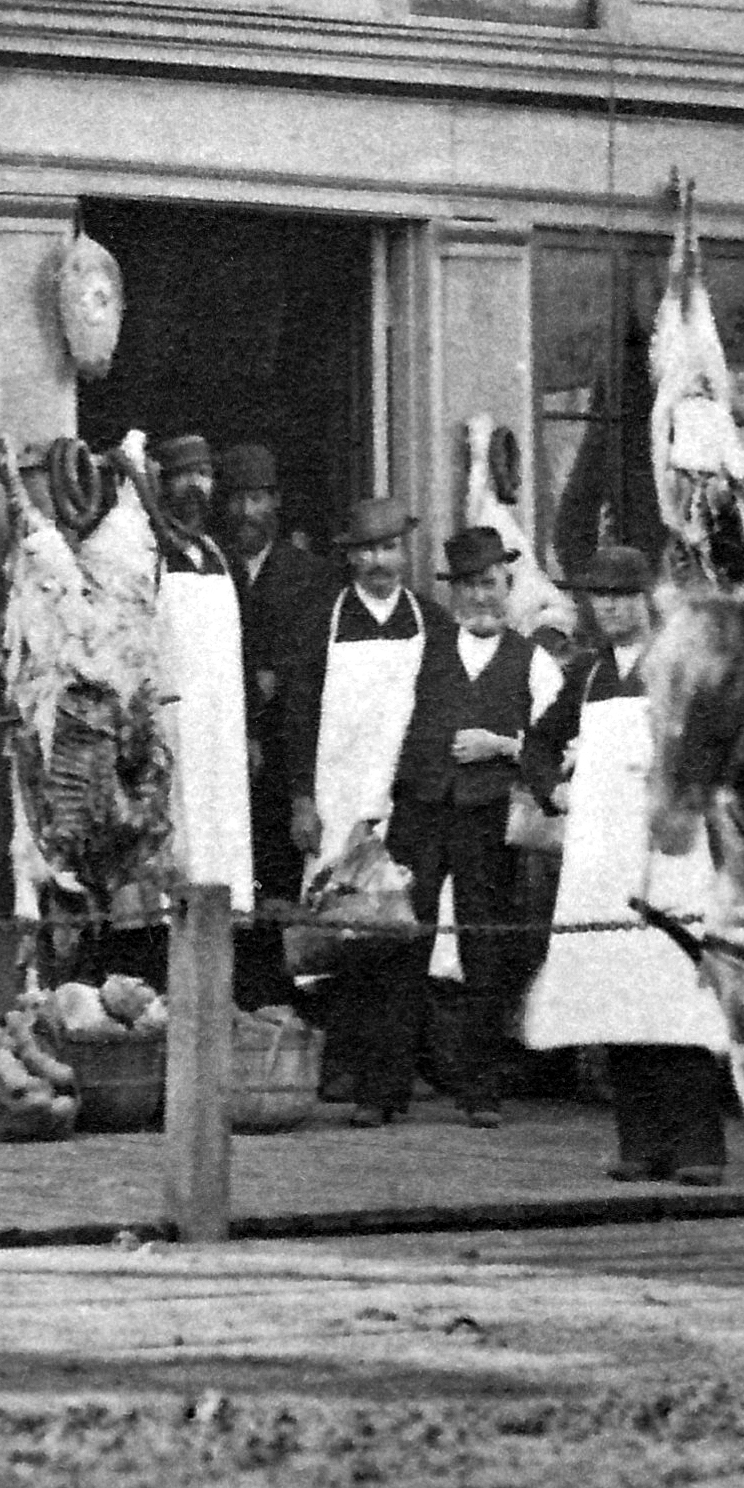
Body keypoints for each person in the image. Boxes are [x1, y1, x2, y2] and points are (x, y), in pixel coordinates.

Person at [316, 523, 565, 1129]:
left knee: (484, 948)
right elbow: (389, 735)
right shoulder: (421, 652)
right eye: (470, 588)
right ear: (453, 595)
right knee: (398, 944)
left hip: (486, 819)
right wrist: (370, 815)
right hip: (420, 811)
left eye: (491, 584)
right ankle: (381, 1092)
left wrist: (502, 745)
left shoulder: (533, 663)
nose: (482, 598)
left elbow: (559, 747)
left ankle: (480, 1090)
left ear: (508, 586)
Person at [519, 543, 726, 1184]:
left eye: (621, 596)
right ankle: (638, 1143)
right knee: (617, 992)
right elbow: (538, 742)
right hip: (603, 857)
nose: (609, 608)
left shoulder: (683, 666)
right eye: (599, 597)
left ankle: (699, 1149)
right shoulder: (586, 674)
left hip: (673, 853)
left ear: (648, 599)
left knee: (676, 994)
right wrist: (551, 787)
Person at [288, 498, 437, 1123]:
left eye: (389, 549)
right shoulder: (320, 619)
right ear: (350, 556)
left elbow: (435, 718)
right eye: (367, 551)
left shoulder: (433, 623)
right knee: (337, 934)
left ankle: (388, 1086)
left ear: (406, 552)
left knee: (397, 939)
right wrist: (302, 799)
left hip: (404, 804)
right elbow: (297, 711)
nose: (379, 562)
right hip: (335, 797)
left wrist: (404, 798)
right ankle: (342, 1068)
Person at [219, 443, 334, 1006]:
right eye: (238, 499)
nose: (246, 512)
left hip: (286, 757)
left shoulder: (309, 577)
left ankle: (279, 1006)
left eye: (258, 498)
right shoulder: (211, 563)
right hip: (224, 754)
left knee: (280, 878)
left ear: (277, 503)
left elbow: (301, 675)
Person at [149, 433, 255, 921]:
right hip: (170, 725)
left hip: (222, 726)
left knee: (222, 841)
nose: (196, 486)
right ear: (163, 482)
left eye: (204, 476)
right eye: (184, 476)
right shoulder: (149, 552)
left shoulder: (218, 555)